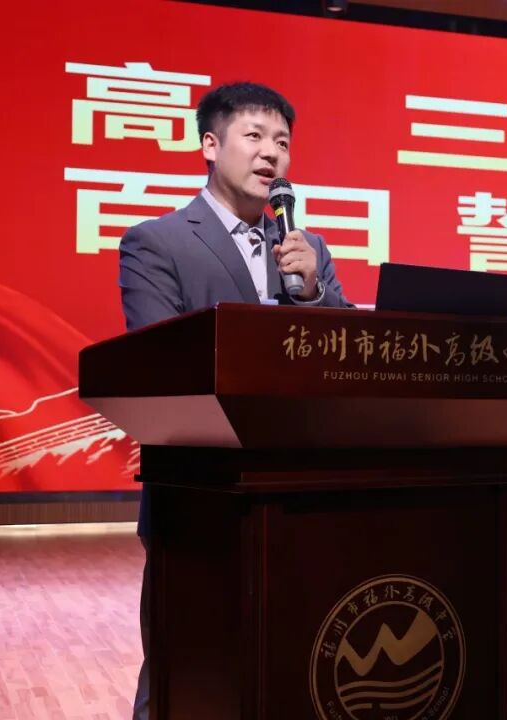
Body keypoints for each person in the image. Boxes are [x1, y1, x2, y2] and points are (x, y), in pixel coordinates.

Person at [118, 82, 354, 719]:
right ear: (210, 145)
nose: (271, 153)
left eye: (283, 142)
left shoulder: (308, 250)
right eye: (254, 136)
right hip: (199, 493)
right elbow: (157, 360)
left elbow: (350, 356)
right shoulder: (157, 241)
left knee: (295, 662)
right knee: (184, 667)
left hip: (301, 489)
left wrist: (313, 296)